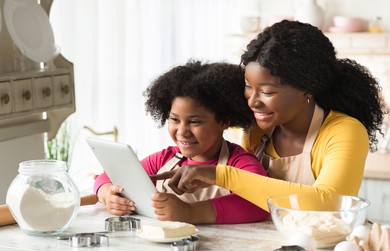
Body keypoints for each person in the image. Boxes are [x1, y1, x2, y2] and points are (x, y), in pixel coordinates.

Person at [150, 20, 388, 211]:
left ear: (307, 89)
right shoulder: (258, 129)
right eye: (248, 86)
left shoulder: (344, 131)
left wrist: (219, 175)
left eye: (267, 91)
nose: (253, 101)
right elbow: (250, 196)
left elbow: (328, 202)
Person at [94, 60, 269, 224]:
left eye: (194, 122)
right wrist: (108, 194)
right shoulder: (164, 159)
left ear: (224, 121)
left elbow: (262, 202)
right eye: (174, 120)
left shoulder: (240, 163)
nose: (182, 131)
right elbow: (108, 176)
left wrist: (189, 212)